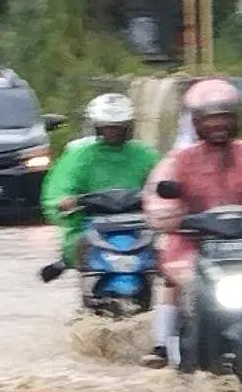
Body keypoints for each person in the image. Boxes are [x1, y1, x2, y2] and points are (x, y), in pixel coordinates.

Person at [143, 77, 242, 368]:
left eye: (225, 118)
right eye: (210, 120)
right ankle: (161, 346)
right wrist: (168, 213)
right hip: (195, 243)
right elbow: (160, 194)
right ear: (196, 122)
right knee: (173, 281)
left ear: (237, 119)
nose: (219, 126)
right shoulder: (179, 160)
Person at [38, 94, 166, 338]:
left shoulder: (145, 155)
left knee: (170, 261)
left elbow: (163, 182)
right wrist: (65, 201)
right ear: (97, 126)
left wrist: (165, 196)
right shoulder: (80, 156)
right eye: (108, 127)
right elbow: (59, 189)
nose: (113, 132)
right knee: (77, 250)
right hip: (93, 224)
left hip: (137, 225)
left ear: (128, 126)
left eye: (118, 127)